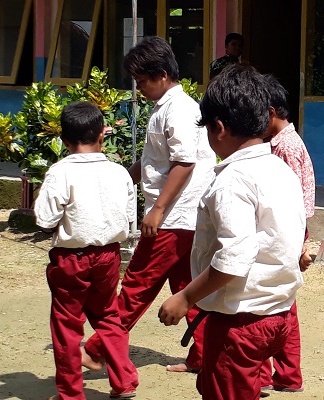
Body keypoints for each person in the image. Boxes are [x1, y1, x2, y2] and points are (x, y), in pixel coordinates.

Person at [158, 64, 307, 400]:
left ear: (219, 128)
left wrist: (185, 296)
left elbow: (234, 259)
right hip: (278, 313)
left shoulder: (231, 180)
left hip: (241, 322)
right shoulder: (280, 170)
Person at [82, 36, 216, 374]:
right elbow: (157, 161)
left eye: (142, 81)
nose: (139, 88)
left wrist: (157, 209)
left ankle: (99, 349)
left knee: (137, 285)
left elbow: (184, 162)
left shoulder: (179, 109)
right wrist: (124, 178)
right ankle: (204, 355)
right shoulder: (171, 108)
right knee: (189, 288)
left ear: (161, 75)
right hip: (183, 217)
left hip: (173, 217)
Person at [34, 101, 140, 400]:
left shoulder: (60, 172)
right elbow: (129, 214)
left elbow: (44, 218)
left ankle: (71, 393)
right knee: (108, 315)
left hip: (71, 258)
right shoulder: (119, 173)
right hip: (109, 255)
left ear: (64, 140)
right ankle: (124, 380)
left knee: (67, 325)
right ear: (102, 136)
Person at [259, 74, 317, 394]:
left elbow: (293, 198)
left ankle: (283, 373)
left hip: (286, 231)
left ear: (268, 112)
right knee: (282, 301)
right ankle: (286, 375)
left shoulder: (287, 148)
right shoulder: (280, 143)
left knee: (279, 302)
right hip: (285, 230)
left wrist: (300, 243)